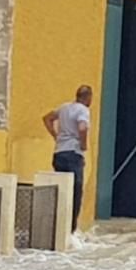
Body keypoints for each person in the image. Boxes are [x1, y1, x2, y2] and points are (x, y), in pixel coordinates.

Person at [43, 85, 93, 233]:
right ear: (88, 97)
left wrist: (55, 135)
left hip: (59, 153)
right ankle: (70, 230)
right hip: (73, 153)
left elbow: (47, 118)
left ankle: (56, 226)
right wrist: (83, 144)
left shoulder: (64, 107)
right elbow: (83, 128)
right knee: (75, 192)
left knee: (60, 191)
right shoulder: (83, 110)